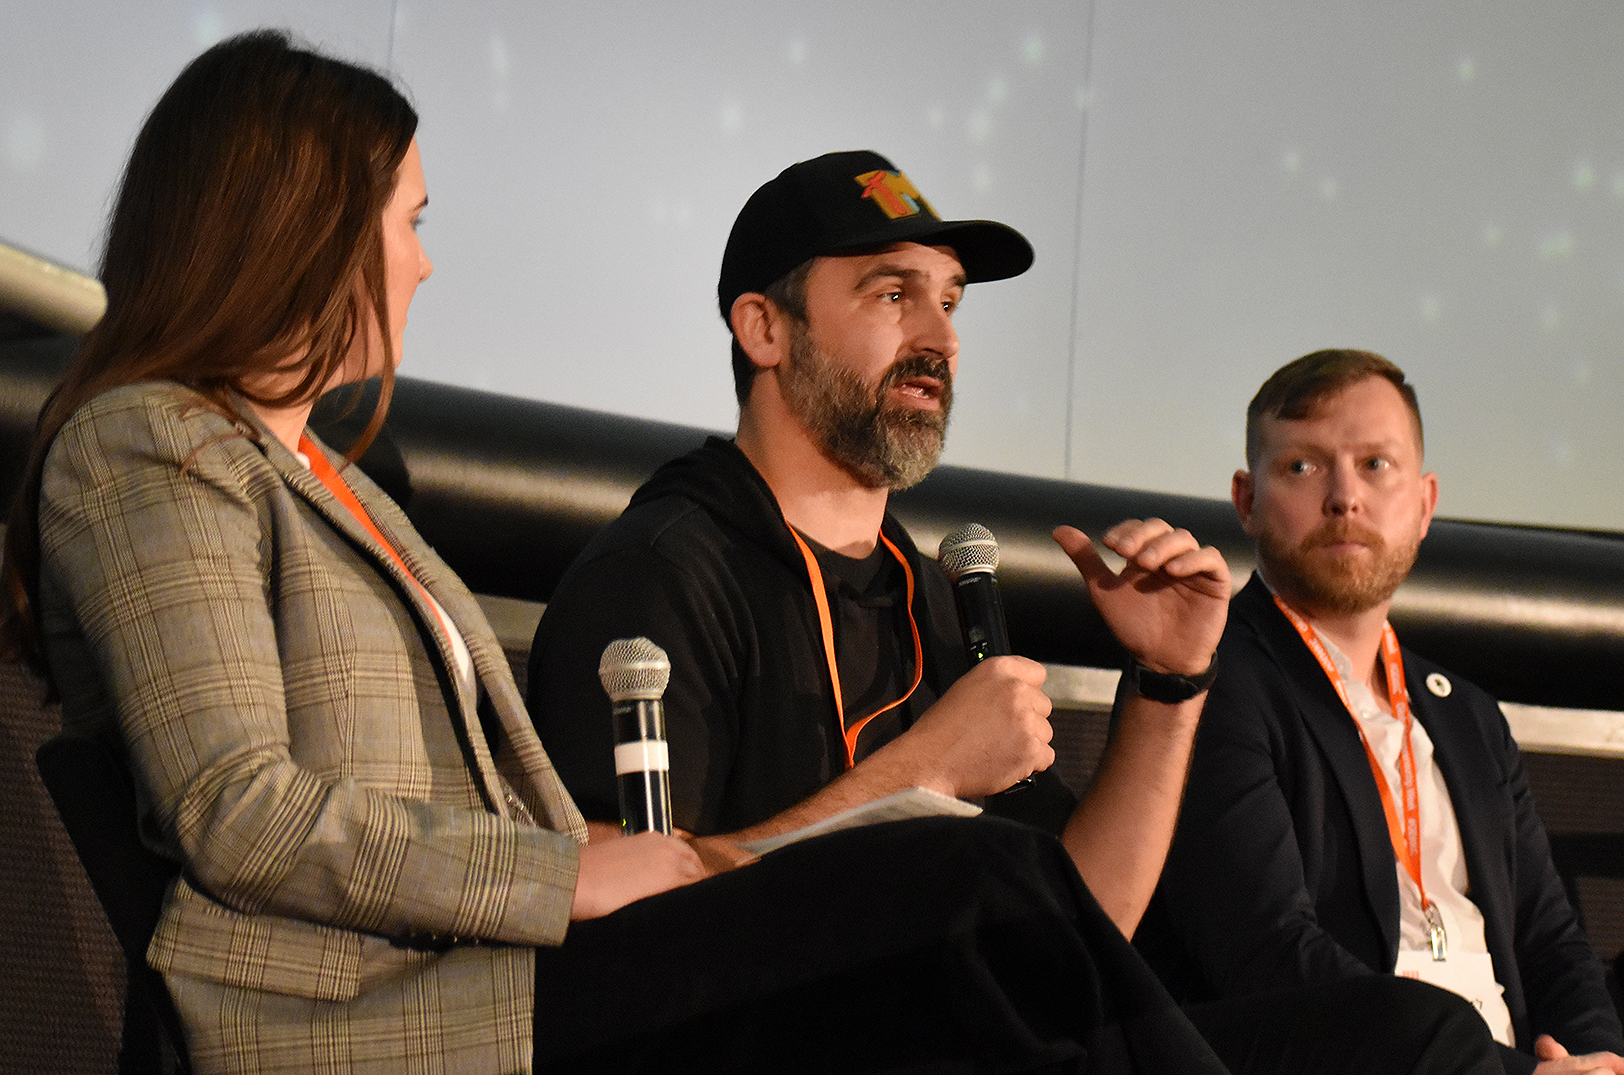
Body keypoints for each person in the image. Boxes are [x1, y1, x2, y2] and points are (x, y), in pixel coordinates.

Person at [0, 30, 1309, 1075]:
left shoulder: (335, 480)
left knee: (995, 906)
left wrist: (652, 867)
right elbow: (242, 810)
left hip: (510, 977)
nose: (426, 265)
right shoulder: (150, 447)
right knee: (965, 884)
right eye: (408, 221)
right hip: (387, 1023)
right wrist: (573, 868)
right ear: (297, 226)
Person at [528, 152, 1503, 1075]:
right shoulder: (660, 571)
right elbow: (624, 938)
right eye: (891, 293)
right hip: (804, 1044)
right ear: (763, 329)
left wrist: (1170, 683)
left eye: (949, 303)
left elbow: (1081, 920)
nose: (940, 341)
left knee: (1414, 1034)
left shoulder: (927, 592)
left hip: (981, 1028)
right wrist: (925, 772)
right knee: (973, 876)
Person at [1136, 349, 1624, 1075]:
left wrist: (1597, 1057)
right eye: (1302, 466)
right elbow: (1264, 951)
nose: (1344, 497)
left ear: (1425, 504)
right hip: (1361, 1056)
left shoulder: (1468, 716)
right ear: (1245, 500)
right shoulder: (1212, 674)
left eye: (1376, 465)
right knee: (1417, 1026)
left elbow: (1552, 941)